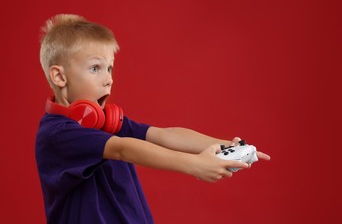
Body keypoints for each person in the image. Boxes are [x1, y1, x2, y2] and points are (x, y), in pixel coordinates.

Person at [35, 14, 270, 224]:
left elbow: (164, 134)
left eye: (110, 69)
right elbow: (122, 149)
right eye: (95, 68)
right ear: (59, 76)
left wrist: (226, 145)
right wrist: (195, 165)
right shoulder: (57, 133)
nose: (108, 79)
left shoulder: (107, 122)